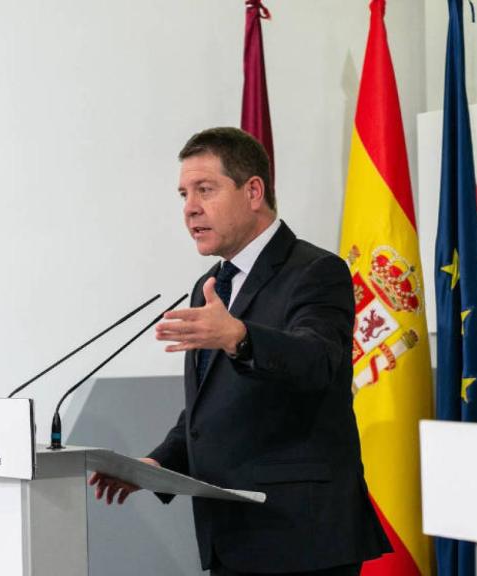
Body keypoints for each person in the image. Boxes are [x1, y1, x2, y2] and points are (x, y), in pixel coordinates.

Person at [89, 127, 390, 575]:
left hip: (300, 538)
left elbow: (319, 362)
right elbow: (212, 408)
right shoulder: (211, 285)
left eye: (205, 189)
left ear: (253, 191)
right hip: (232, 534)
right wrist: (156, 464)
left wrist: (240, 337)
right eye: (183, 194)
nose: (190, 207)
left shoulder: (316, 271)